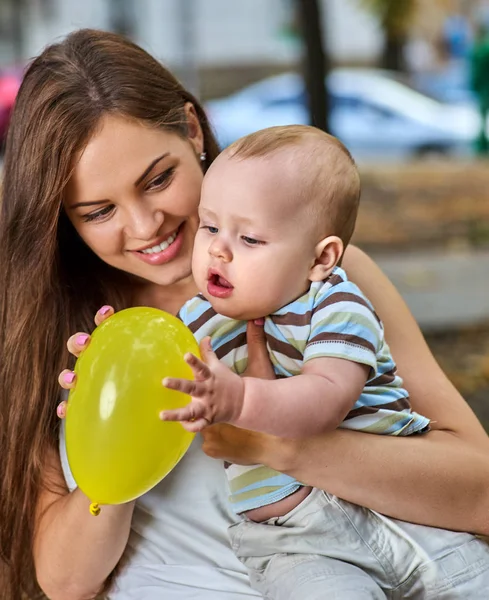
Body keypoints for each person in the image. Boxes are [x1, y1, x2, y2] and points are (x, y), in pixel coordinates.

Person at [0, 28, 489, 600]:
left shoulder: (321, 278)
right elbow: (64, 581)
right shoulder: (58, 327)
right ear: (61, 218)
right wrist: (118, 444)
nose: (144, 226)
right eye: (99, 210)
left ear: (190, 129)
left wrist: (278, 441)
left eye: (158, 180)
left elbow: (479, 491)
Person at [158, 125, 489, 598]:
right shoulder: (196, 319)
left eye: (249, 238)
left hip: (399, 511)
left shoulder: (337, 305)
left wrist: (240, 397)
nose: (218, 248)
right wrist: (107, 361)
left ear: (321, 258)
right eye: (210, 226)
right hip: (296, 544)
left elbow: (325, 399)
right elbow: (160, 386)